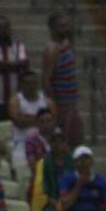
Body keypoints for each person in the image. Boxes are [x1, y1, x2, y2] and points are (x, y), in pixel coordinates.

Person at [0, 16, 30, 126]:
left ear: (10, 29)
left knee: (18, 130)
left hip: (17, 99)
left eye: (6, 27)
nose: (3, 30)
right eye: (0, 27)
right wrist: (14, 64)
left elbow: (24, 65)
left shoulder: (19, 46)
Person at [43, 13, 81, 146]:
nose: (66, 28)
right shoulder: (52, 50)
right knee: (65, 137)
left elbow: (71, 36)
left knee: (76, 135)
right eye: (62, 26)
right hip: (62, 101)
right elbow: (46, 80)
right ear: (53, 28)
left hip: (72, 99)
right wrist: (54, 105)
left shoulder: (65, 44)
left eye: (67, 25)